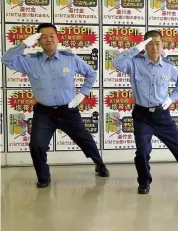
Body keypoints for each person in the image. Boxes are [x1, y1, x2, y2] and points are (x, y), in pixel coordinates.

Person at [1, 23, 109, 188]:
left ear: (58, 39)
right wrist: (24, 44)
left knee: (85, 140)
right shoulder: (30, 61)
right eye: (43, 37)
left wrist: (82, 93)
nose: (48, 39)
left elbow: (91, 73)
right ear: (38, 41)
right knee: (37, 145)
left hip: (68, 110)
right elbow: (6, 59)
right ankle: (44, 178)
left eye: (52, 36)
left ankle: (99, 164)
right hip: (44, 113)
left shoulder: (70, 59)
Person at [112, 30, 178, 194]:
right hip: (142, 115)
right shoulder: (135, 63)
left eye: (157, 43)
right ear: (144, 46)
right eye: (149, 43)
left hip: (162, 115)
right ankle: (144, 182)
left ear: (162, 45)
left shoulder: (169, 67)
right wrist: (136, 48)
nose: (154, 47)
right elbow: (116, 63)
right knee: (142, 151)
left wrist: (171, 99)